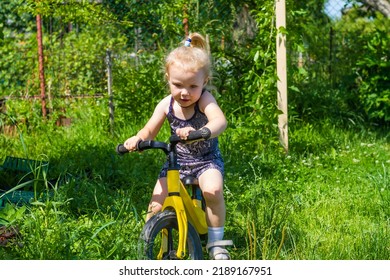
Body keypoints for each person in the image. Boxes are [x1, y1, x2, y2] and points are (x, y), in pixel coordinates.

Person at [123, 32, 231, 260]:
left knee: (213, 190)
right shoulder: (166, 104)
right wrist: (137, 139)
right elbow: (149, 130)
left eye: (193, 86)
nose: (185, 92)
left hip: (206, 160)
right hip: (176, 162)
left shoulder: (204, 100)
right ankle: (155, 242)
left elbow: (220, 121)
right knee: (155, 204)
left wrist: (201, 132)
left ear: (205, 82)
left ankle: (217, 242)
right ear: (168, 79)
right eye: (178, 85)